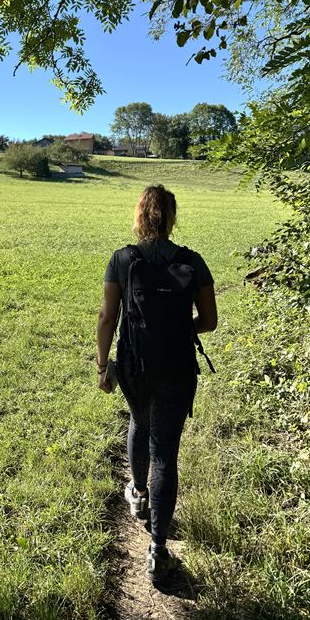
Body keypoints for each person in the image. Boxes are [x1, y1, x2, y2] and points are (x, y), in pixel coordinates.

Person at [96, 184, 217, 584]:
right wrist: (182, 332)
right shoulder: (193, 261)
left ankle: (138, 493)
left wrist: (103, 367)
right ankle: (158, 549)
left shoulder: (122, 259)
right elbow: (210, 321)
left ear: (140, 215)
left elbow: (107, 319)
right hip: (178, 367)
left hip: (135, 366)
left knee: (138, 421)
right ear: (171, 217)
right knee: (166, 454)